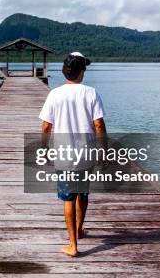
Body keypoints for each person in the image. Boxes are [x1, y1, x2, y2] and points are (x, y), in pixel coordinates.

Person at [39, 52, 107, 257]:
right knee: (83, 193)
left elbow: (45, 126)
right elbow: (99, 124)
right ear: (82, 72)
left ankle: (73, 245)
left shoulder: (55, 94)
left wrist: (43, 149)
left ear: (65, 71)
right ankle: (79, 228)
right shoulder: (91, 93)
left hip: (64, 154)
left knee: (68, 199)